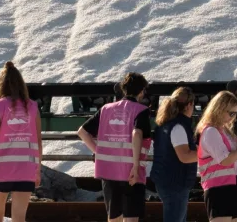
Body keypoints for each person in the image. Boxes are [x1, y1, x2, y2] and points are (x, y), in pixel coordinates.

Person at [78, 72, 154, 222]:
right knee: (131, 218)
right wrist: (135, 165)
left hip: (108, 172)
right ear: (141, 91)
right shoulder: (141, 111)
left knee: (113, 218)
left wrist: (98, 152)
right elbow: (137, 134)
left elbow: (82, 132)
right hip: (131, 172)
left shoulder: (106, 109)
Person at [0, 61, 41, 222]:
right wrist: (38, 169)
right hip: (25, 170)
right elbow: (38, 140)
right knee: (19, 218)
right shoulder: (33, 107)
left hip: (0, 170)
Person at [197, 91, 237, 222]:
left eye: (235, 113)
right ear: (219, 109)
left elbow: (233, 159)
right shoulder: (211, 131)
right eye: (231, 113)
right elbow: (225, 160)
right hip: (217, 188)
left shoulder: (224, 131)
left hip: (230, 185)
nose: (233, 117)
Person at [151, 87, 198, 222]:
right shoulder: (179, 126)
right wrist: (209, 154)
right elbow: (185, 156)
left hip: (167, 180)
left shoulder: (166, 123)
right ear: (189, 105)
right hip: (175, 182)